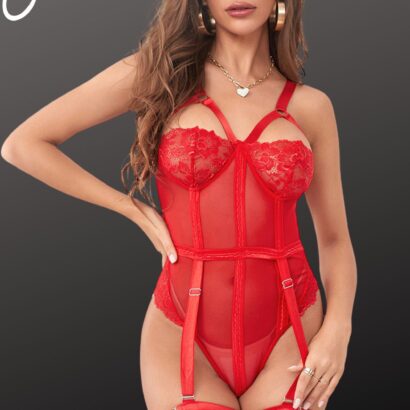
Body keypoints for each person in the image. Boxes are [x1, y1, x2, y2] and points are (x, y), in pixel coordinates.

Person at [1, 1, 357, 409]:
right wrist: (131, 208)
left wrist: (338, 330)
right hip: (182, 332)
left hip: (290, 328)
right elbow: (23, 145)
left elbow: (335, 241)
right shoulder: (158, 74)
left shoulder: (312, 107)